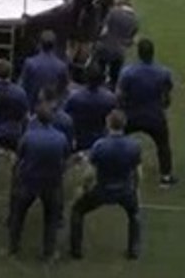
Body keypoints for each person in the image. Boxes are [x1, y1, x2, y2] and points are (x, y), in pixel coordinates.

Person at [69, 110, 141, 260]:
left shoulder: (100, 146)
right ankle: (133, 249)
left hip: (102, 189)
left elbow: (90, 173)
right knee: (134, 214)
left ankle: (76, 250)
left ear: (108, 124)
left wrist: (83, 188)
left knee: (77, 210)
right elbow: (137, 171)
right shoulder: (134, 146)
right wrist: (136, 189)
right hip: (124, 190)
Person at [8, 106, 70, 260]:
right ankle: (48, 251)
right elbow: (66, 157)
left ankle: (13, 247)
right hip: (52, 182)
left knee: (18, 215)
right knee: (51, 219)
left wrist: (17, 174)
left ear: (36, 119)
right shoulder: (61, 137)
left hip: (29, 181)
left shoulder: (28, 136)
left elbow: (19, 156)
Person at [114, 39, 174, 185]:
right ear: (152, 53)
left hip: (132, 114)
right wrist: (164, 104)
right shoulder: (163, 72)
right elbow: (167, 92)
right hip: (154, 114)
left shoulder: (128, 72)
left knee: (116, 140)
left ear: (138, 53)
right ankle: (166, 176)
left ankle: (114, 171)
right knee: (163, 145)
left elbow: (120, 94)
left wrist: (121, 108)